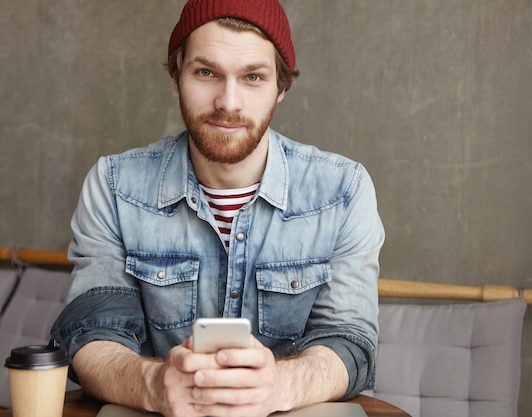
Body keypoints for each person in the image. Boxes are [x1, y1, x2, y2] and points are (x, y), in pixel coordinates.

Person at [51, 1, 385, 416]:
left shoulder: (343, 190)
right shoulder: (114, 186)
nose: (228, 102)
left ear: (281, 86)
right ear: (176, 75)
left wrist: (277, 386)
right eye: (206, 72)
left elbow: (350, 341)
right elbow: (93, 335)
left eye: (253, 77)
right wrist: (155, 385)